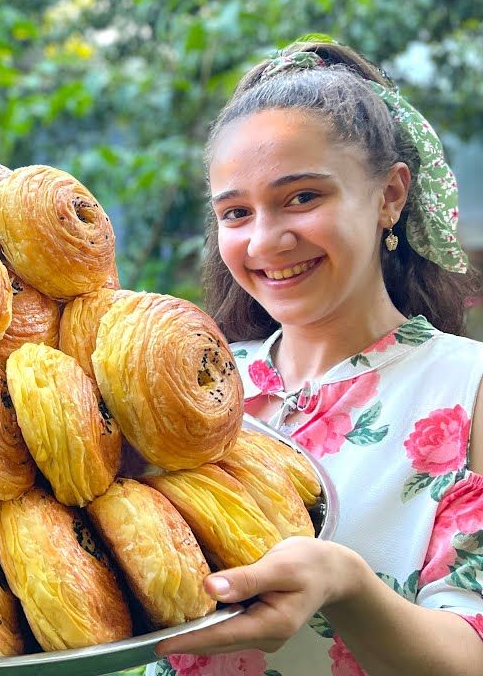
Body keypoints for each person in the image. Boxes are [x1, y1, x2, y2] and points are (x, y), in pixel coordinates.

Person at [148, 40, 483, 675]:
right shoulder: (198, 379)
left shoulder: (467, 385)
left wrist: (345, 583)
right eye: (236, 212)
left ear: (390, 196)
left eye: (301, 197)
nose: (265, 240)